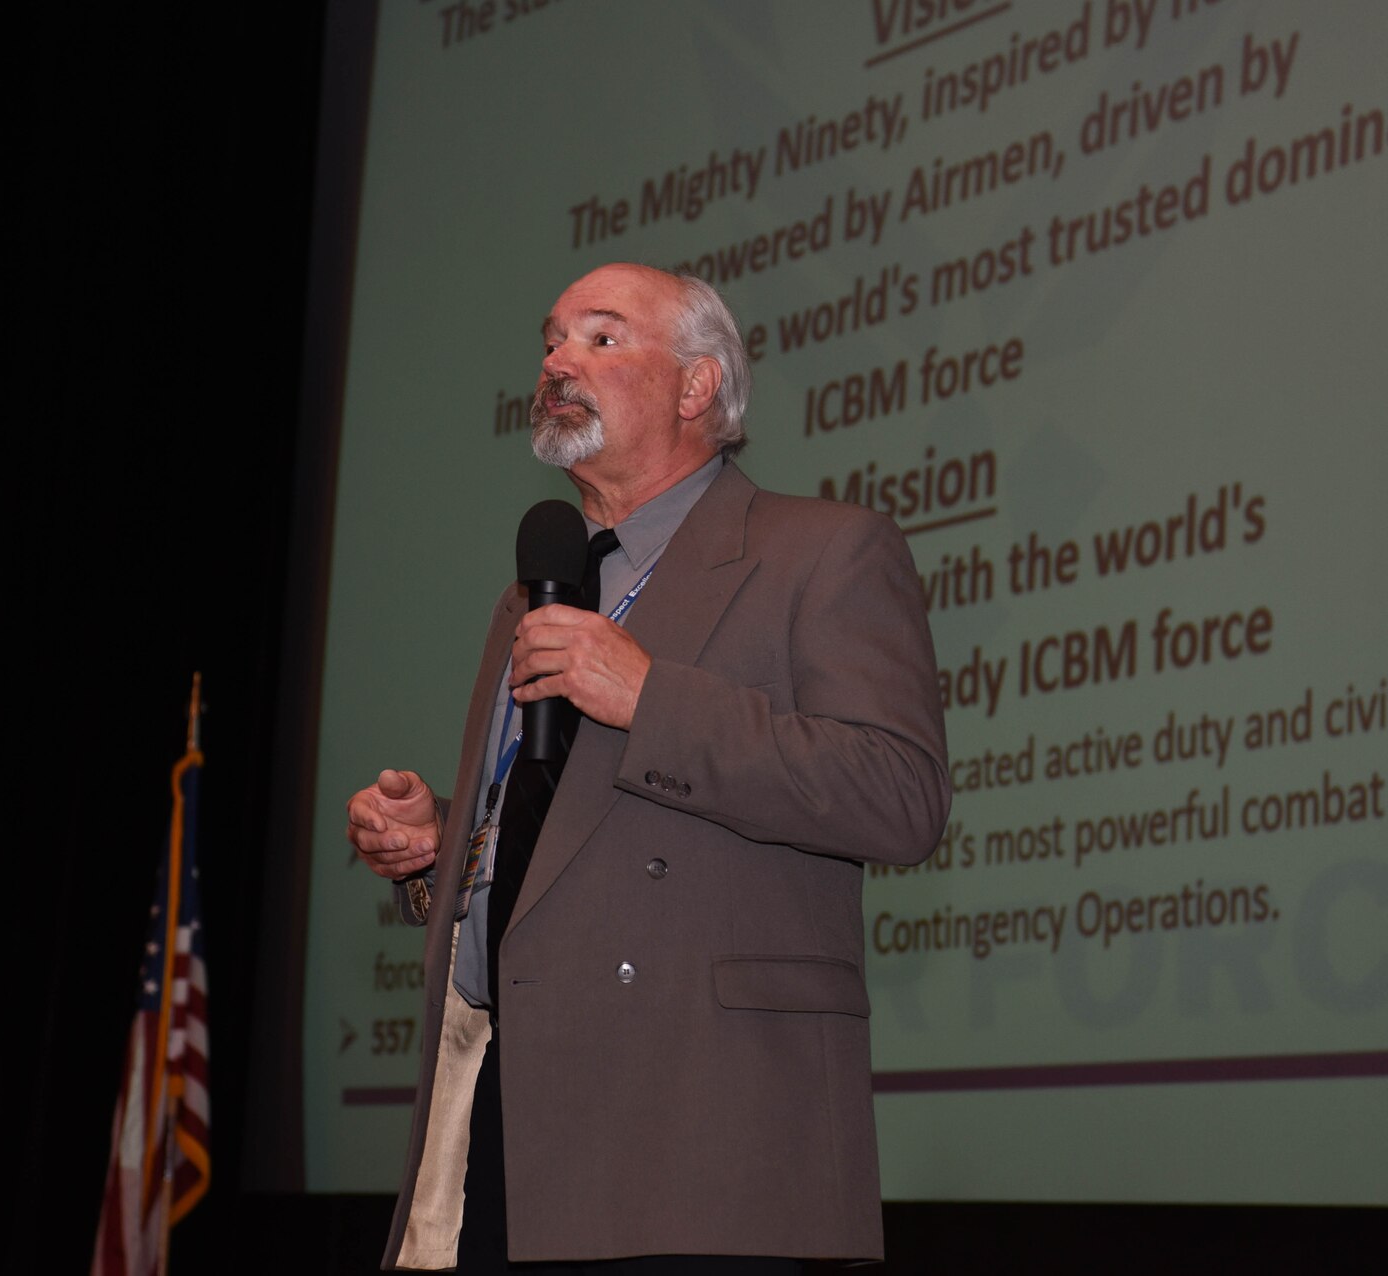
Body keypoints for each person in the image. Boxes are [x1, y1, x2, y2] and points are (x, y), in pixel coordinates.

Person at [348, 263, 950, 1272]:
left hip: (702, 1139)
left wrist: (651, 698)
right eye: (551, 339)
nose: (557, 361)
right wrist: (446, 839)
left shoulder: (823, 551)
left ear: (695, 386)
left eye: (600, 337)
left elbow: (900, 794)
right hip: (509, 1118)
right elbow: (570, 826)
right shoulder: (533, 593)